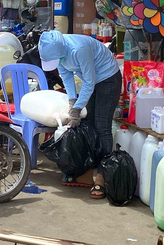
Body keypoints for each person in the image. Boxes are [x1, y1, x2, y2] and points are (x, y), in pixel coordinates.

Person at [39, 30, 121, 199]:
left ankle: (102, 176)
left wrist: (76, 109)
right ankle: (88, 169)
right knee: (88, 123)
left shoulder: (79, 49)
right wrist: (72, 103)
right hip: (92, 81)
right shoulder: (60, 54)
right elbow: (67, 77)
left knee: (102, 126)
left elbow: (89, 82)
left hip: (108, 78)